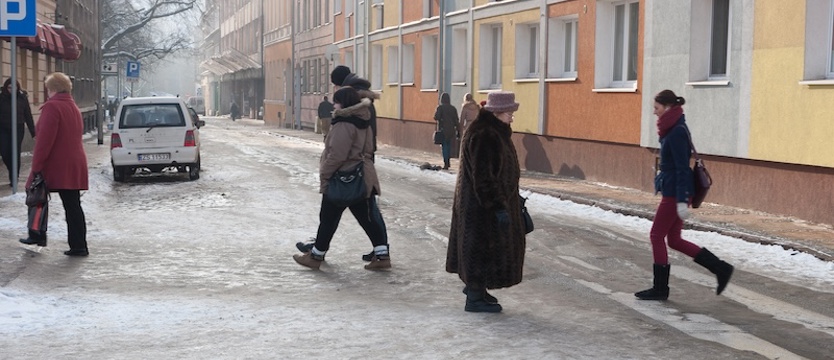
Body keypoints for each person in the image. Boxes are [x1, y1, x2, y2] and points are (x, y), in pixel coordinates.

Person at [634, 89, 734, 300]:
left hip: (675, 193)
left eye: (657, 108)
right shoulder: (671, 127)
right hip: (673, 189)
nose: (654, 112)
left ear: (668, 107)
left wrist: (681, 201)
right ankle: (721, 268)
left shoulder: (677, 130)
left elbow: (682, 168)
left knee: (656, 235)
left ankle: (660, 289)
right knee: (675, 239)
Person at [292, 86, 391, 271]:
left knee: (328, 219)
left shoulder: (344, 124)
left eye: (336, 101)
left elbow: (337, 154)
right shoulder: (363, 120)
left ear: (343, 103)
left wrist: (325, 173)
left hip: (342, 178)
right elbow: (368, 148)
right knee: (368, 219)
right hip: (362, 177)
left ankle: (315, 257)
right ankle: (382, 256)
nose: (333, 104)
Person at [446, 91, 526, 313]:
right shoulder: (485, 135)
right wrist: (498, 207)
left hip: (484, 205)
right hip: (482, 208)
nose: (512, 117)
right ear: (497, 112)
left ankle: (478, 290)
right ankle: (474, 296)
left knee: (484, 249)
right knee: (481, 249)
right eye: (509, 112)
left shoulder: (493, 132)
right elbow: (484, 178)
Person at [19, 72, 89, 256]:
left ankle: (36, 234)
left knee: (36, 196)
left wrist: (36, 168)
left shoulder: (52, 107)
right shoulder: (72, 106)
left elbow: (44, 141)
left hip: (57, 163)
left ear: (52, 89)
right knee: (73, 205)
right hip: (74, 162)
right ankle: (79, 245)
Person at [0, 78, 36, 187]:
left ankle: (14, 177)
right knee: (4, 151)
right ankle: (12, 169)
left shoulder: (22, 98)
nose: (12, 90)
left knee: (15, 152)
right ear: (6, 88)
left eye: (14, 87)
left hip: (18, 128)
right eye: (10, 88)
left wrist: (33, 132)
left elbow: (28, 115)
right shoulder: (1, 98)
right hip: (3, 128)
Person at [433, 92, 460, 170]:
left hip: (443, 129)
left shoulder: (440, 107)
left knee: (444, 146)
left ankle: (446, 163)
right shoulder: (453, 108)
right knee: (448, 145)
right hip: (451, 130)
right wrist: (458, 130)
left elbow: (436, 117)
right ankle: (448, 161)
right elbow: (456, 120)